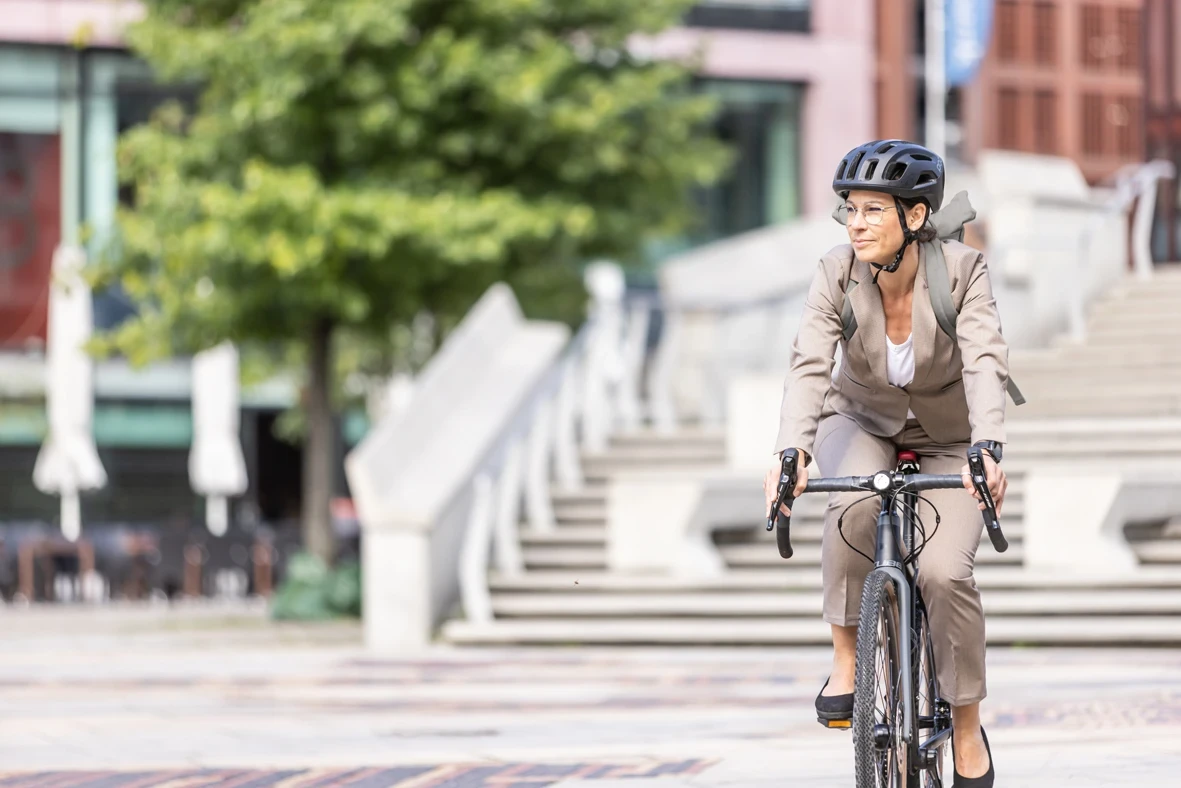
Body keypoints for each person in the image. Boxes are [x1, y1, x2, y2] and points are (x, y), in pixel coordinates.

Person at [762, 140, 1010, 787]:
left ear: (915, 218)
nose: (856, 223)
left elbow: (984, 359)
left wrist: (987, 447)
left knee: (942, 572)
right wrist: (791, 450)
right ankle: (846, 660)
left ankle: (963, 726)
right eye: (850, 209)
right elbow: (809, 361)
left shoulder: (960, 270)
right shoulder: (835, 272)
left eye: (874, 210)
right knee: (851, 507)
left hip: (950, 436)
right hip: (861, 419)